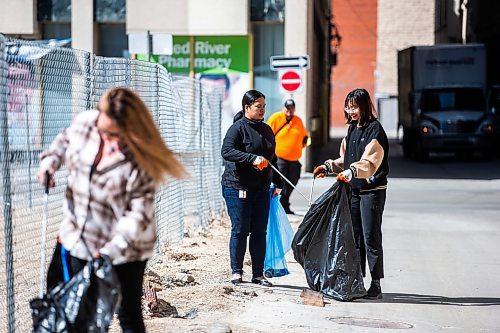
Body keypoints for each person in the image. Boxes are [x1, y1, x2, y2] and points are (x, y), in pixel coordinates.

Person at [38, 87, 186, 332]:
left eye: (115, 135)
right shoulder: (87, 123)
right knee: (79, 312)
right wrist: (49, 163)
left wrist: (108, 250)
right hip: (78, 238)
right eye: (104, 131)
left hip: (126, 249)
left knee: (127, 315)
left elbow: (137, 217)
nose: (108, 140)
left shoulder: (140, 162)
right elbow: (64, 140)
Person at [314, 88, 389, 299]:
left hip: (371, 191)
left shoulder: (375, 131)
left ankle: (376, 284)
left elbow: (369, 163)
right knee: (353, 238)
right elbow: (346, 160)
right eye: (348, 106)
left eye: (354, 106)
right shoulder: (352, 130)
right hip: (353, 191)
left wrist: (352, 171)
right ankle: (356, 280)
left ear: (364, 106)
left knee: (370, 237)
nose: (350, 110)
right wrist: (329, 167)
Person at [221, 89, 283, 287]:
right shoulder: (238, 128)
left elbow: (272, 158)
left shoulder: (266, 129)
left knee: (259, 231)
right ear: (247, 108)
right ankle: (236, 272)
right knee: (240, 229)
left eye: (264, 106)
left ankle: (258, 274)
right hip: (237, 186)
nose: (262, 110)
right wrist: (251, 158)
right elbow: (227, 151)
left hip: (261, 188)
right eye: (258, 106)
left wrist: (278, 183)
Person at [267, 99, 309, 214]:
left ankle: (285, 203)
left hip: (294, 159)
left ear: (294, 109)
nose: (289, 112)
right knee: (281, 183)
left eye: (291, 109)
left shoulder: (298, 120)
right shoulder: (276, 118)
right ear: (283, 108)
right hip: (280, 158)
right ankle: (281, 205)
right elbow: (267, 134)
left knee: (292, 181)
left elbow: (305, 136)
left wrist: (305, 142)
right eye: (287, 109)